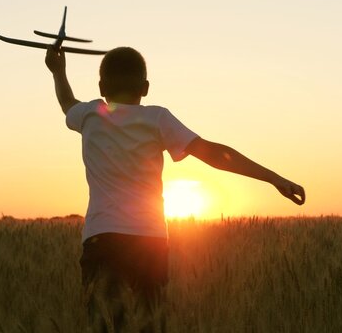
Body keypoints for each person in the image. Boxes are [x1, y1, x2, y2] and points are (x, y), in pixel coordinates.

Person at [45, 46, 305, 332]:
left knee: (104, 325)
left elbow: (67, 102)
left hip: (101, 239)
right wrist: (274, 178)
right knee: (151, 325)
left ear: (101, 86)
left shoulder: (89, 114)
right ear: (145, 88)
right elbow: (214, 154)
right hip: (149, 242)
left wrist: (58, 71)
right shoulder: (157, 118)